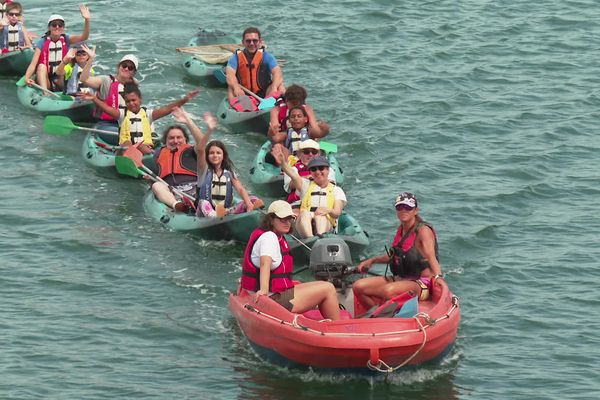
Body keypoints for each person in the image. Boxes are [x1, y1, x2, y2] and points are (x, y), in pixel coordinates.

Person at [240, 200, 340, 320]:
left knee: (319, 285)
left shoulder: (267, 234)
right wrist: (264, 291)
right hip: (274, 300)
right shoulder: (269, 237)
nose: (287, 222)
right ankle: (336, 329)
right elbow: (264, 262)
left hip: (274, 294)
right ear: (271, 220)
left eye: (289, 219)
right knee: (328, 288)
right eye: (283, 219)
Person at [352, 192, 442, 309]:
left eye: (408, 207)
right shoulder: (401, 229)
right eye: (400, 207)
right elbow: (395, 256)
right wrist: (372, 260)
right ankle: (378, 316)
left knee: (388, 291)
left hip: (421, 284)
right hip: (401, 278)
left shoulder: (423, 231)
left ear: (415, 211)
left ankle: (385, 314)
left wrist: (439, 279)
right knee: (358, 286)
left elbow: (431, 257)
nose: (403, 210)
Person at [80, 82, 199, 154]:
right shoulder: (121, 114)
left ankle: (150, 155)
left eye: (134, 100)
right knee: (127, 144)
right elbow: (106, 108)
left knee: (142, 145)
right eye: (128, 101)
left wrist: (185, 99)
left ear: (140, 99)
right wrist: (94, 99)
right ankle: (129, 156)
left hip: (144, 147)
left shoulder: (148, 114)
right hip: (127, 147)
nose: (131, 103)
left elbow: (168, 108)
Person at [151, 108, 217, 212]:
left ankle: (210, 205)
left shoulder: (192, 150)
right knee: (156, 185)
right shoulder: (158, 154)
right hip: (173, 191)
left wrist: (188, 121)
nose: (175, 141)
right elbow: (156, 177)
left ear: (185, 140)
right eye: (171, 138)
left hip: (195, 187)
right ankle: (177, 205)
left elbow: (202, 144)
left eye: (179, 137)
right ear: (165, 141)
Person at [196, 125, 263, 217]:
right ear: (207, 156)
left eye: (218, 153)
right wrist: (209, 130)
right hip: (205, 210)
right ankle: (217, 214)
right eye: (211, 153)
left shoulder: (229, 173)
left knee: (253, 199)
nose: (215, 155)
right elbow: (200, 150)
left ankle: (231, 211)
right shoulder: (203, 170)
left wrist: (248, 203)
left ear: (223, 156)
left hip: (223, 209)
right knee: (203, 203)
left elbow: (240, 189)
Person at [278, 153, 346, 238]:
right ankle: (310, 238)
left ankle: (320, 237)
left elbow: (337, 212)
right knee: (305, 214)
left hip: (326, 223)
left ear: (328, 170)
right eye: (314, 169)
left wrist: (328, 210)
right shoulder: (305, 185)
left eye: (321, 168)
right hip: (305, 223)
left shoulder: (337, 190)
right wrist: (283, 163)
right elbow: (293, 174)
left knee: (320, 216)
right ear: (311, 172)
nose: (318, 172)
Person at [24, 5, 91, 90]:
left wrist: (87, 20)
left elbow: (84, 37)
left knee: (67, 69)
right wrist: (27, 77)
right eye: (54, 25)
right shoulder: (42, 42)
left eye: (60, 25)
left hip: (61, 79)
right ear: (49, 27)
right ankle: (45, 94)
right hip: (46, 80)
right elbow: (33, 64)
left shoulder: (66, 39)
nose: (57, 27)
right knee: (41, 66)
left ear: (63, 28)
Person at [79, 49, 138, 130]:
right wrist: (90, 59)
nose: (126, 68)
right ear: (119, 67)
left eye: (130, 67)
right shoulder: (105, 81)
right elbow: (84, 79)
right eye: (124, 65)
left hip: (126, 124)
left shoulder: (135, 85)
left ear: (134, 72)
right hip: (106, 124)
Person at [225, 26, 284, 102]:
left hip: (265, 93)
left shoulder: (266, 56)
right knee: (231, 87)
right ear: (243, 42)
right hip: (243, 93)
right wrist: (236, 87)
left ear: (260, 42)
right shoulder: (235, 57)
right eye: (248, 41)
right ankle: (237, 108)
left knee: (280, 84)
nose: (252, 43)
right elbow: (230, 75)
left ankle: (282, 107)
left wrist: (274, 88)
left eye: (255, 41)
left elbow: (277, 72)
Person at [282, 139, 335, 211]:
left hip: (322, 201)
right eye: (306, 152)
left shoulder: (328, 169)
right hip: (297, 202)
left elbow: (331, 184)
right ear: (300, 154)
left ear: (318, 154)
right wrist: (305, 178)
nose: (310, 154)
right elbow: (290, 186)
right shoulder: (293, 169)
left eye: (314, 152)